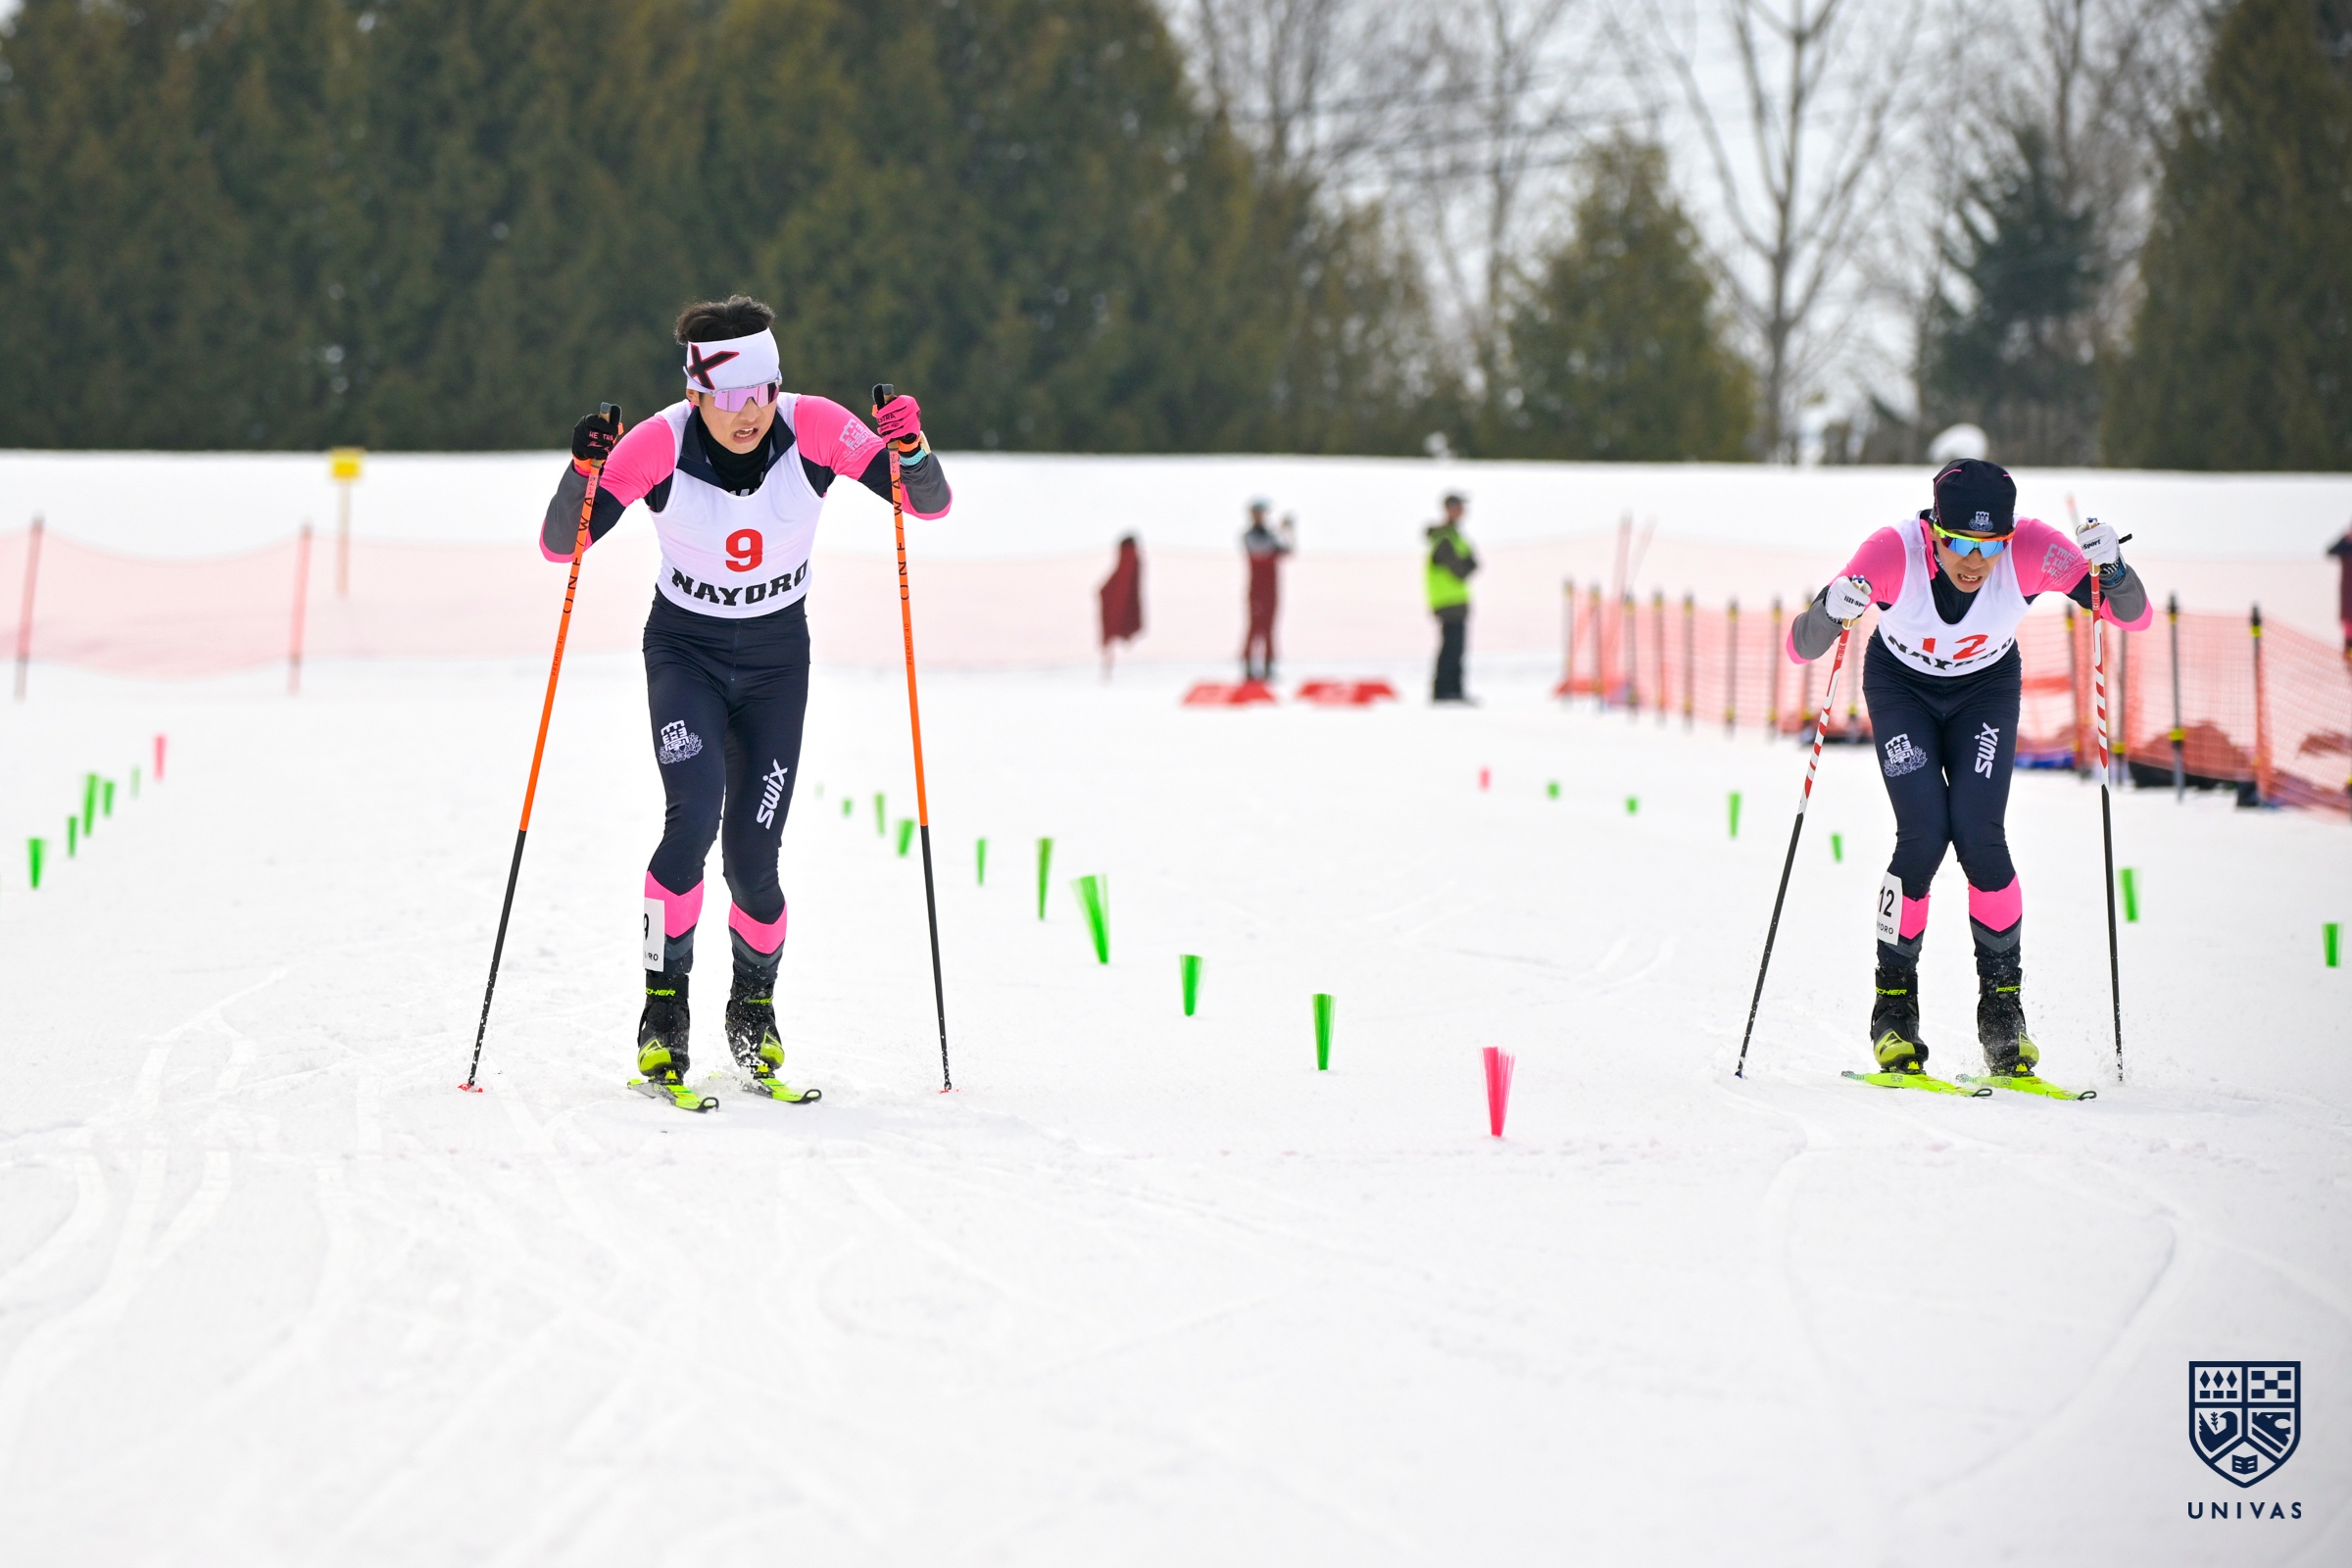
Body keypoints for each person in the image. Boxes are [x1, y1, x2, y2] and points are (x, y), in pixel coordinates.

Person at [542, 293, 951, 1106]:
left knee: (755, 863)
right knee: (691, 820)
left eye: (761, 391)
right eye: (727, 396)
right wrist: (582, 469)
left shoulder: (818, 426)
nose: (747, 413)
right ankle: (664, 1016)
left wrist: (911, 447)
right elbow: (564, 544)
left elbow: (925, 503)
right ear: (695, 393)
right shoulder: (659, 442)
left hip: (774, 665)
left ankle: (753, 1013)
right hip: (686, 654)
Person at [1786, 459, 2149, 1082]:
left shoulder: (2033, 548)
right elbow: (1803, 646)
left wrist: (2113, 569)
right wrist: (1829, 607)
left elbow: (2130, 614)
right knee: (1924, 834)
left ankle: (2003, 1017)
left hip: (1985, 691)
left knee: (1981, 837)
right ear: (1934, 530)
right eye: (1959, 542)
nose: (1976, 561)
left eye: (1991, 544)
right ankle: (1894, 1013)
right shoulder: (1891, 552)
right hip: (1902, 689)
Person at [1426, 492, 1478, 703]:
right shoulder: (1445, 538)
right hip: (1448, 601)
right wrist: (1467, 563)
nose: (1461, 512)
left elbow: (1472, 563)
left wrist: (1468, 563)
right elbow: (1462, 569)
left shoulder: (1454, 536)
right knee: (1452, 647)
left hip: (1455, 600)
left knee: (1455, 647)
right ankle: (1445, 691)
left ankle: (1453, 690)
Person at [1241, 499, 1295, 682]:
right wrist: (1279, 531)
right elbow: (1261, 549)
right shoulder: (1249, 535)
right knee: (1254, 628)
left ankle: (1268, 667)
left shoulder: (1272, 535)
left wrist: (1288, 531)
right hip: (1256, 589)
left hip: (1271, 589)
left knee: (1270, 628)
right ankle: (1249, 668)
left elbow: (1288, 550)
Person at [1099, 533, 1144, 678]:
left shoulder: (1130, 558)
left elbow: (1123, 589)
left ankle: (1107, 669)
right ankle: (1107, 669)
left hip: (1121, 613)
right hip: (1119, 612)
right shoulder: (1131, 558)